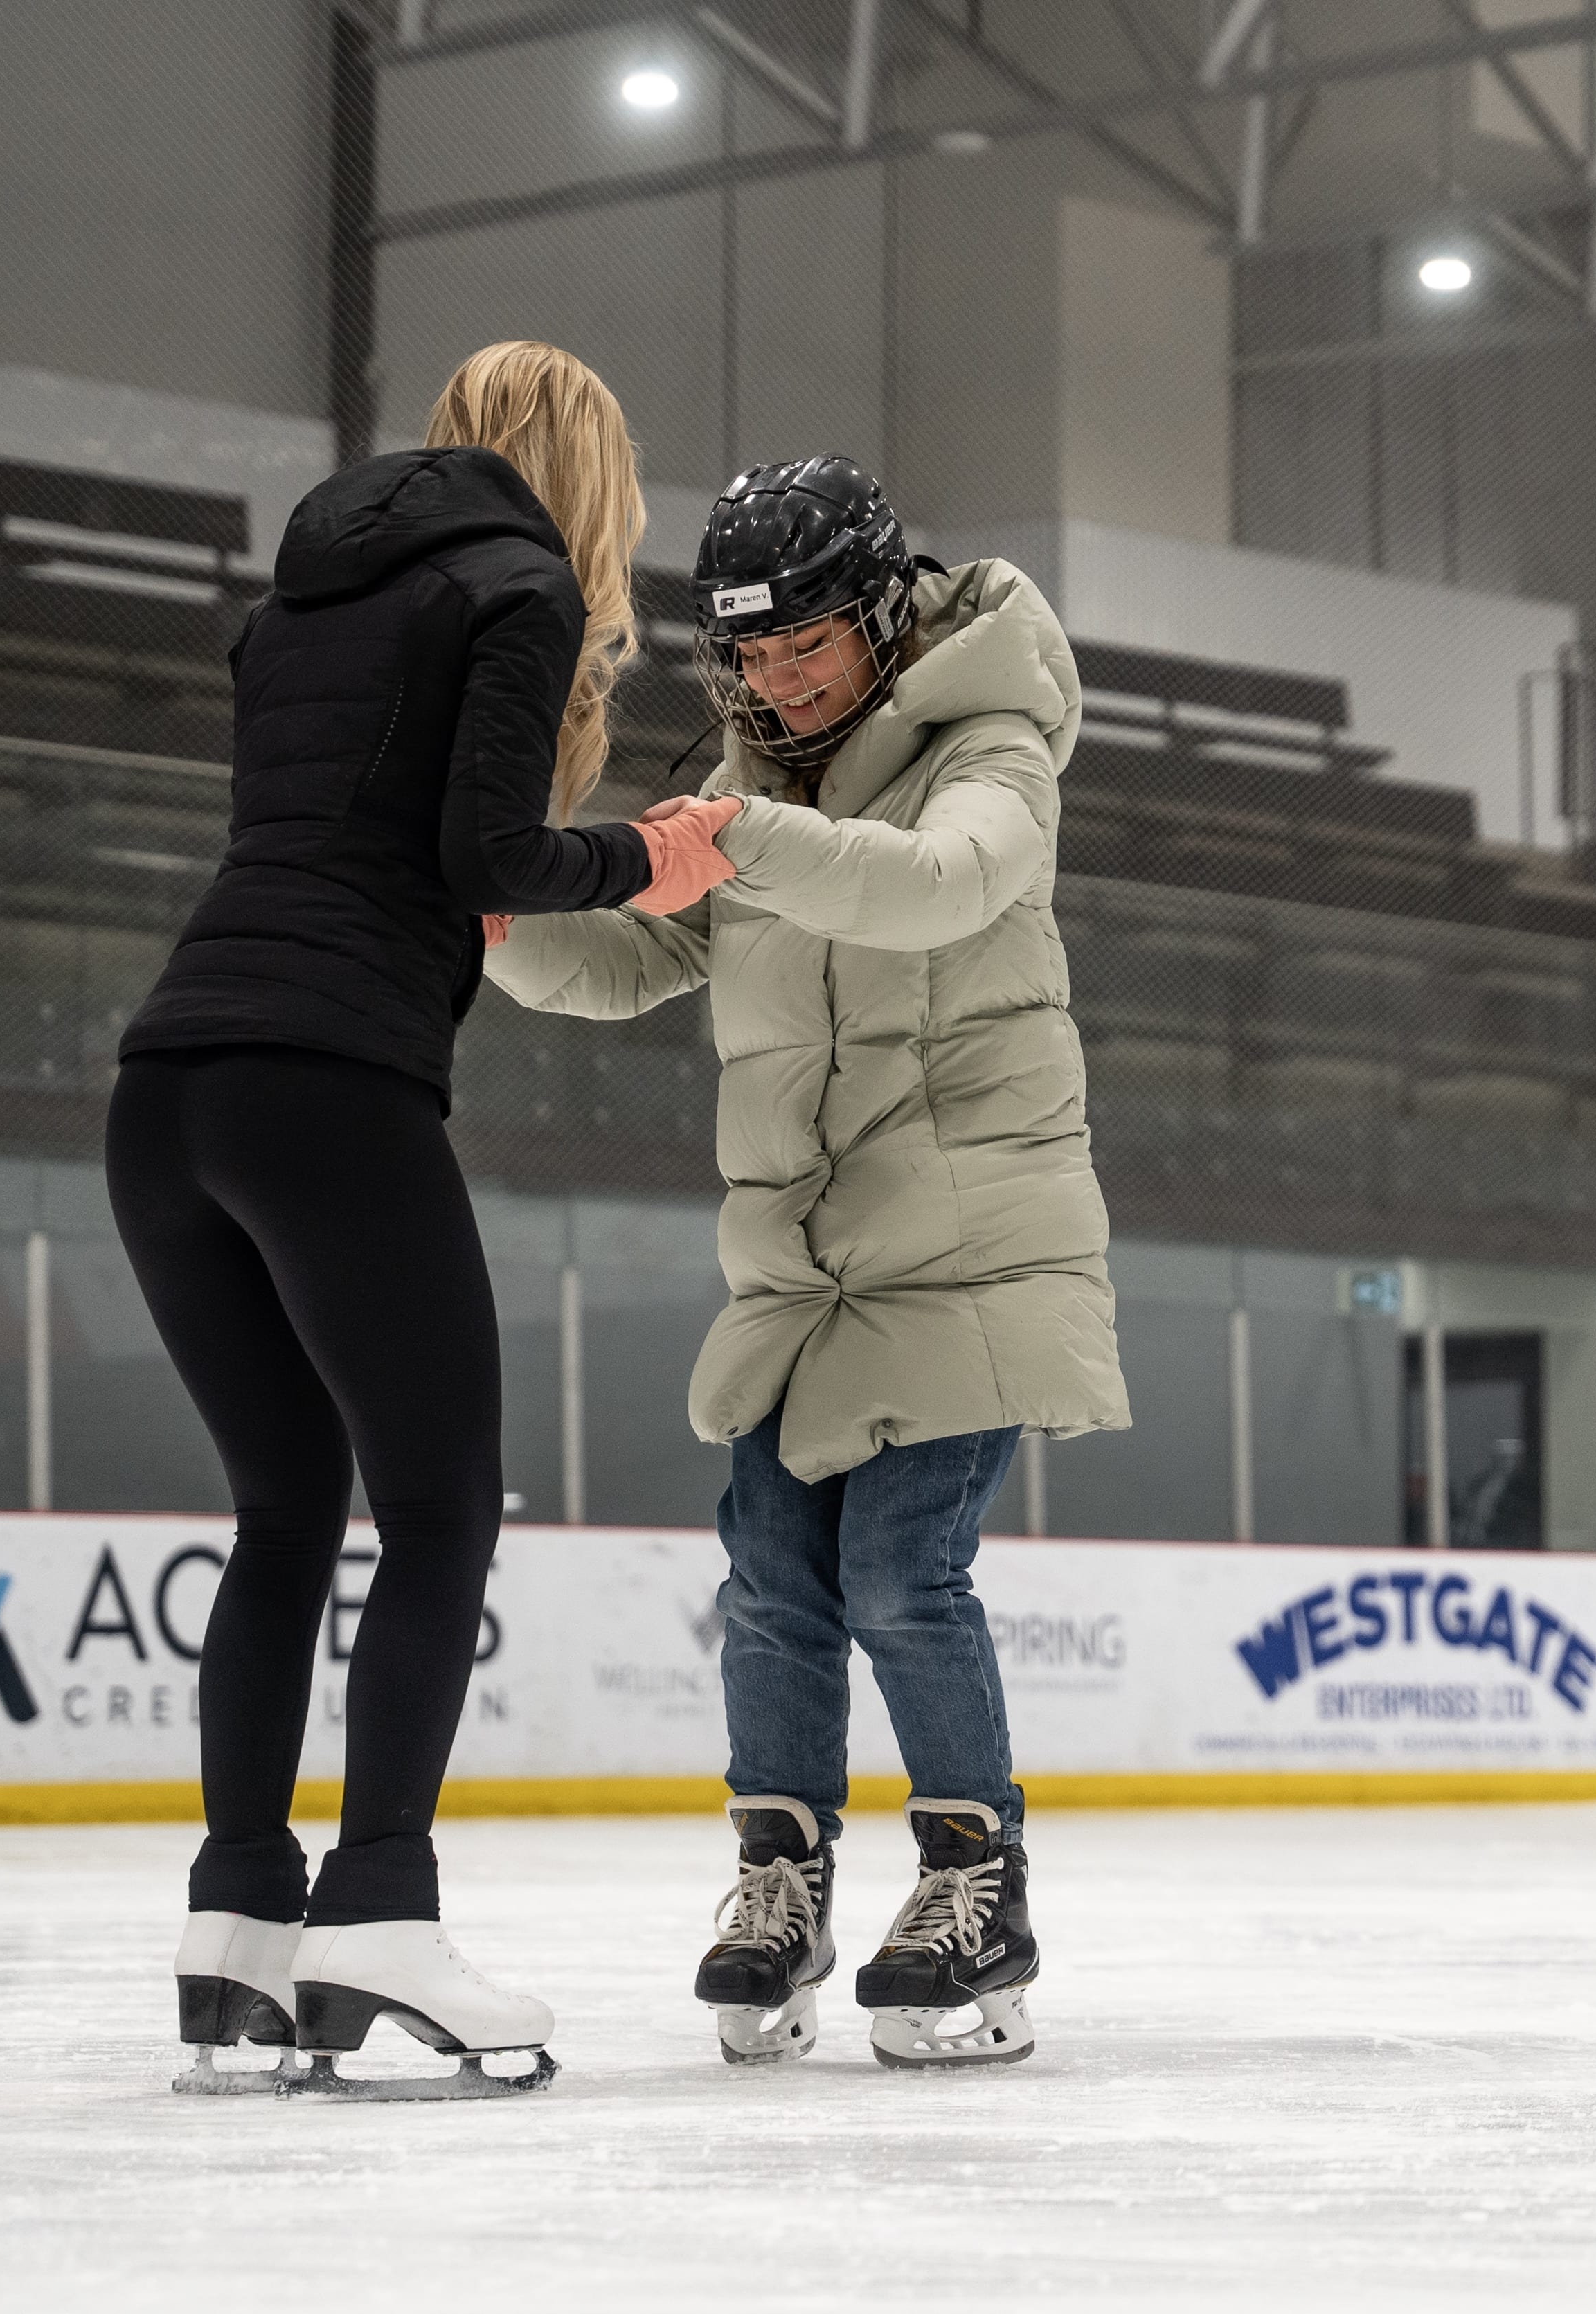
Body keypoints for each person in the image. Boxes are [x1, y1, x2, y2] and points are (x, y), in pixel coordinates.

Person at [108, 342, 740, 2099]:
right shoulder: (520, 586)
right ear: (586, 474)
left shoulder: (296, 603)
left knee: (285, 1509)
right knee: (443, 1502)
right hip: (325, 1082)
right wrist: (654, 860)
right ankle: (378, 1906)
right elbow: (483, 858)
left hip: (168, 1086)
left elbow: (364, 842)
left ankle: (240, 1921)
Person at [481, 456, 1130, 2069]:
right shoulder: (753, 781)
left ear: (886, 614)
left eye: (807, 644)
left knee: (903, 1573)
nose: (778, 681)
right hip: (805, 1271)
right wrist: (500, 923)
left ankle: (976, 1888)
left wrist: (739, 835)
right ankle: (783, 1879)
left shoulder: (990, 740)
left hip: (971, 1250)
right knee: (772, 1582)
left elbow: (946, 885)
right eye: (751, 655)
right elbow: (639, 955)